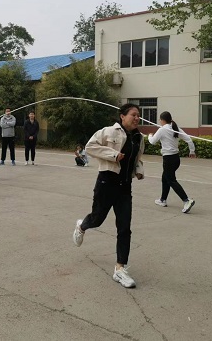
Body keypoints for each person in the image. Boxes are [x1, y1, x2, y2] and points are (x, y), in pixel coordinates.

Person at [72, 103, 145, 288]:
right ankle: (82, 226)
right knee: (97, 219)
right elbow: (90, 147)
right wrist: (113, 154)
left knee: (124, 227)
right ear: (122, 116)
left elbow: (137, 159)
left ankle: (120, 269)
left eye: (138, 115)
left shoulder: (139, 137)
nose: (137, 118)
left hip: (125, 187)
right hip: (106, 183)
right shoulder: (108, 132)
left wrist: (138, 170)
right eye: (133, 115)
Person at [147, 111, 196, 213]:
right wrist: (192, 151)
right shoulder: (175, 128)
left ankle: (186, 200)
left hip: (168, 159)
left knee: (171, 180)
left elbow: (152, 141)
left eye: (160, 120)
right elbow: (188, 139)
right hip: (176, 159)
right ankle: (162, 200)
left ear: (162, 120)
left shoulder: (162, 129)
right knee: (165, 178)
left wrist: (150, 136)